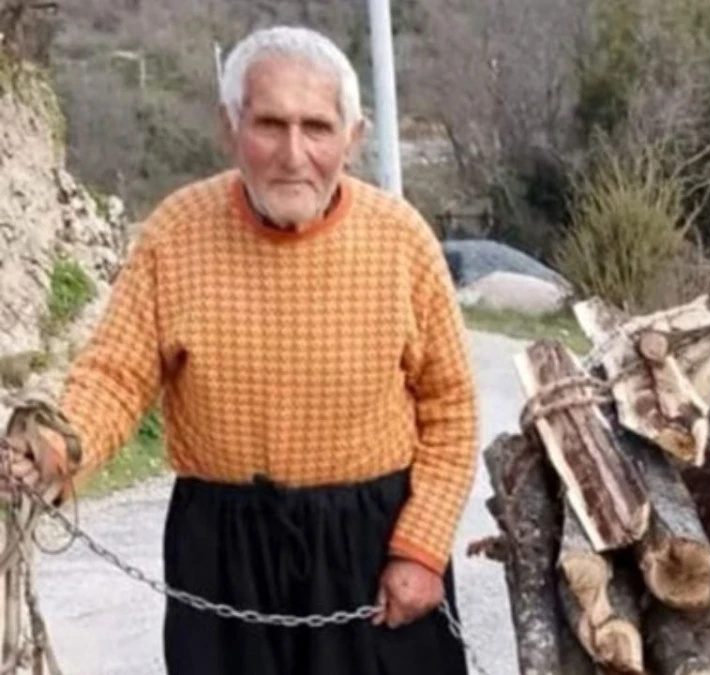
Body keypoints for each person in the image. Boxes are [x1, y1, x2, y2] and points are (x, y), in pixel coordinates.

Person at [0, 25, 478, 675]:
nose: (293, 153)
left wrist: (420, 548)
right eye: (269, 125)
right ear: (229, 128)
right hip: (221, 547)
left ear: (353, 136)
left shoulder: (402, 240)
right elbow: (114, 376)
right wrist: (56, 449)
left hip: (369, 542)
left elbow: (450, 410)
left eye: (317, 127)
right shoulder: (176, 232)